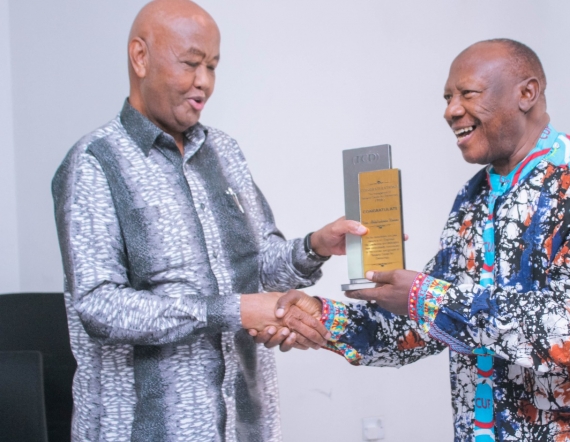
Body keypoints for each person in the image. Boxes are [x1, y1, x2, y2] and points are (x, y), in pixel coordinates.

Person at [258, 39, 570, 441]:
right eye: (447, 98)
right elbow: (425, 326)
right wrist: (320, 318)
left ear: (527, 93)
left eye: (467, 93)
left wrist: (424, 297)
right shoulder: (473, 197)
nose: (451, 110)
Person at [51, 1, 363, 440]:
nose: (205, 82)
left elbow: (260, 268)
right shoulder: (94, 163)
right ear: (140, 57)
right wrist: (232, 310)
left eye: (212, 66)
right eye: (191, 63)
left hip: (245, 425)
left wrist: (314, 247)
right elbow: (99, 307)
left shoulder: (225, 152)